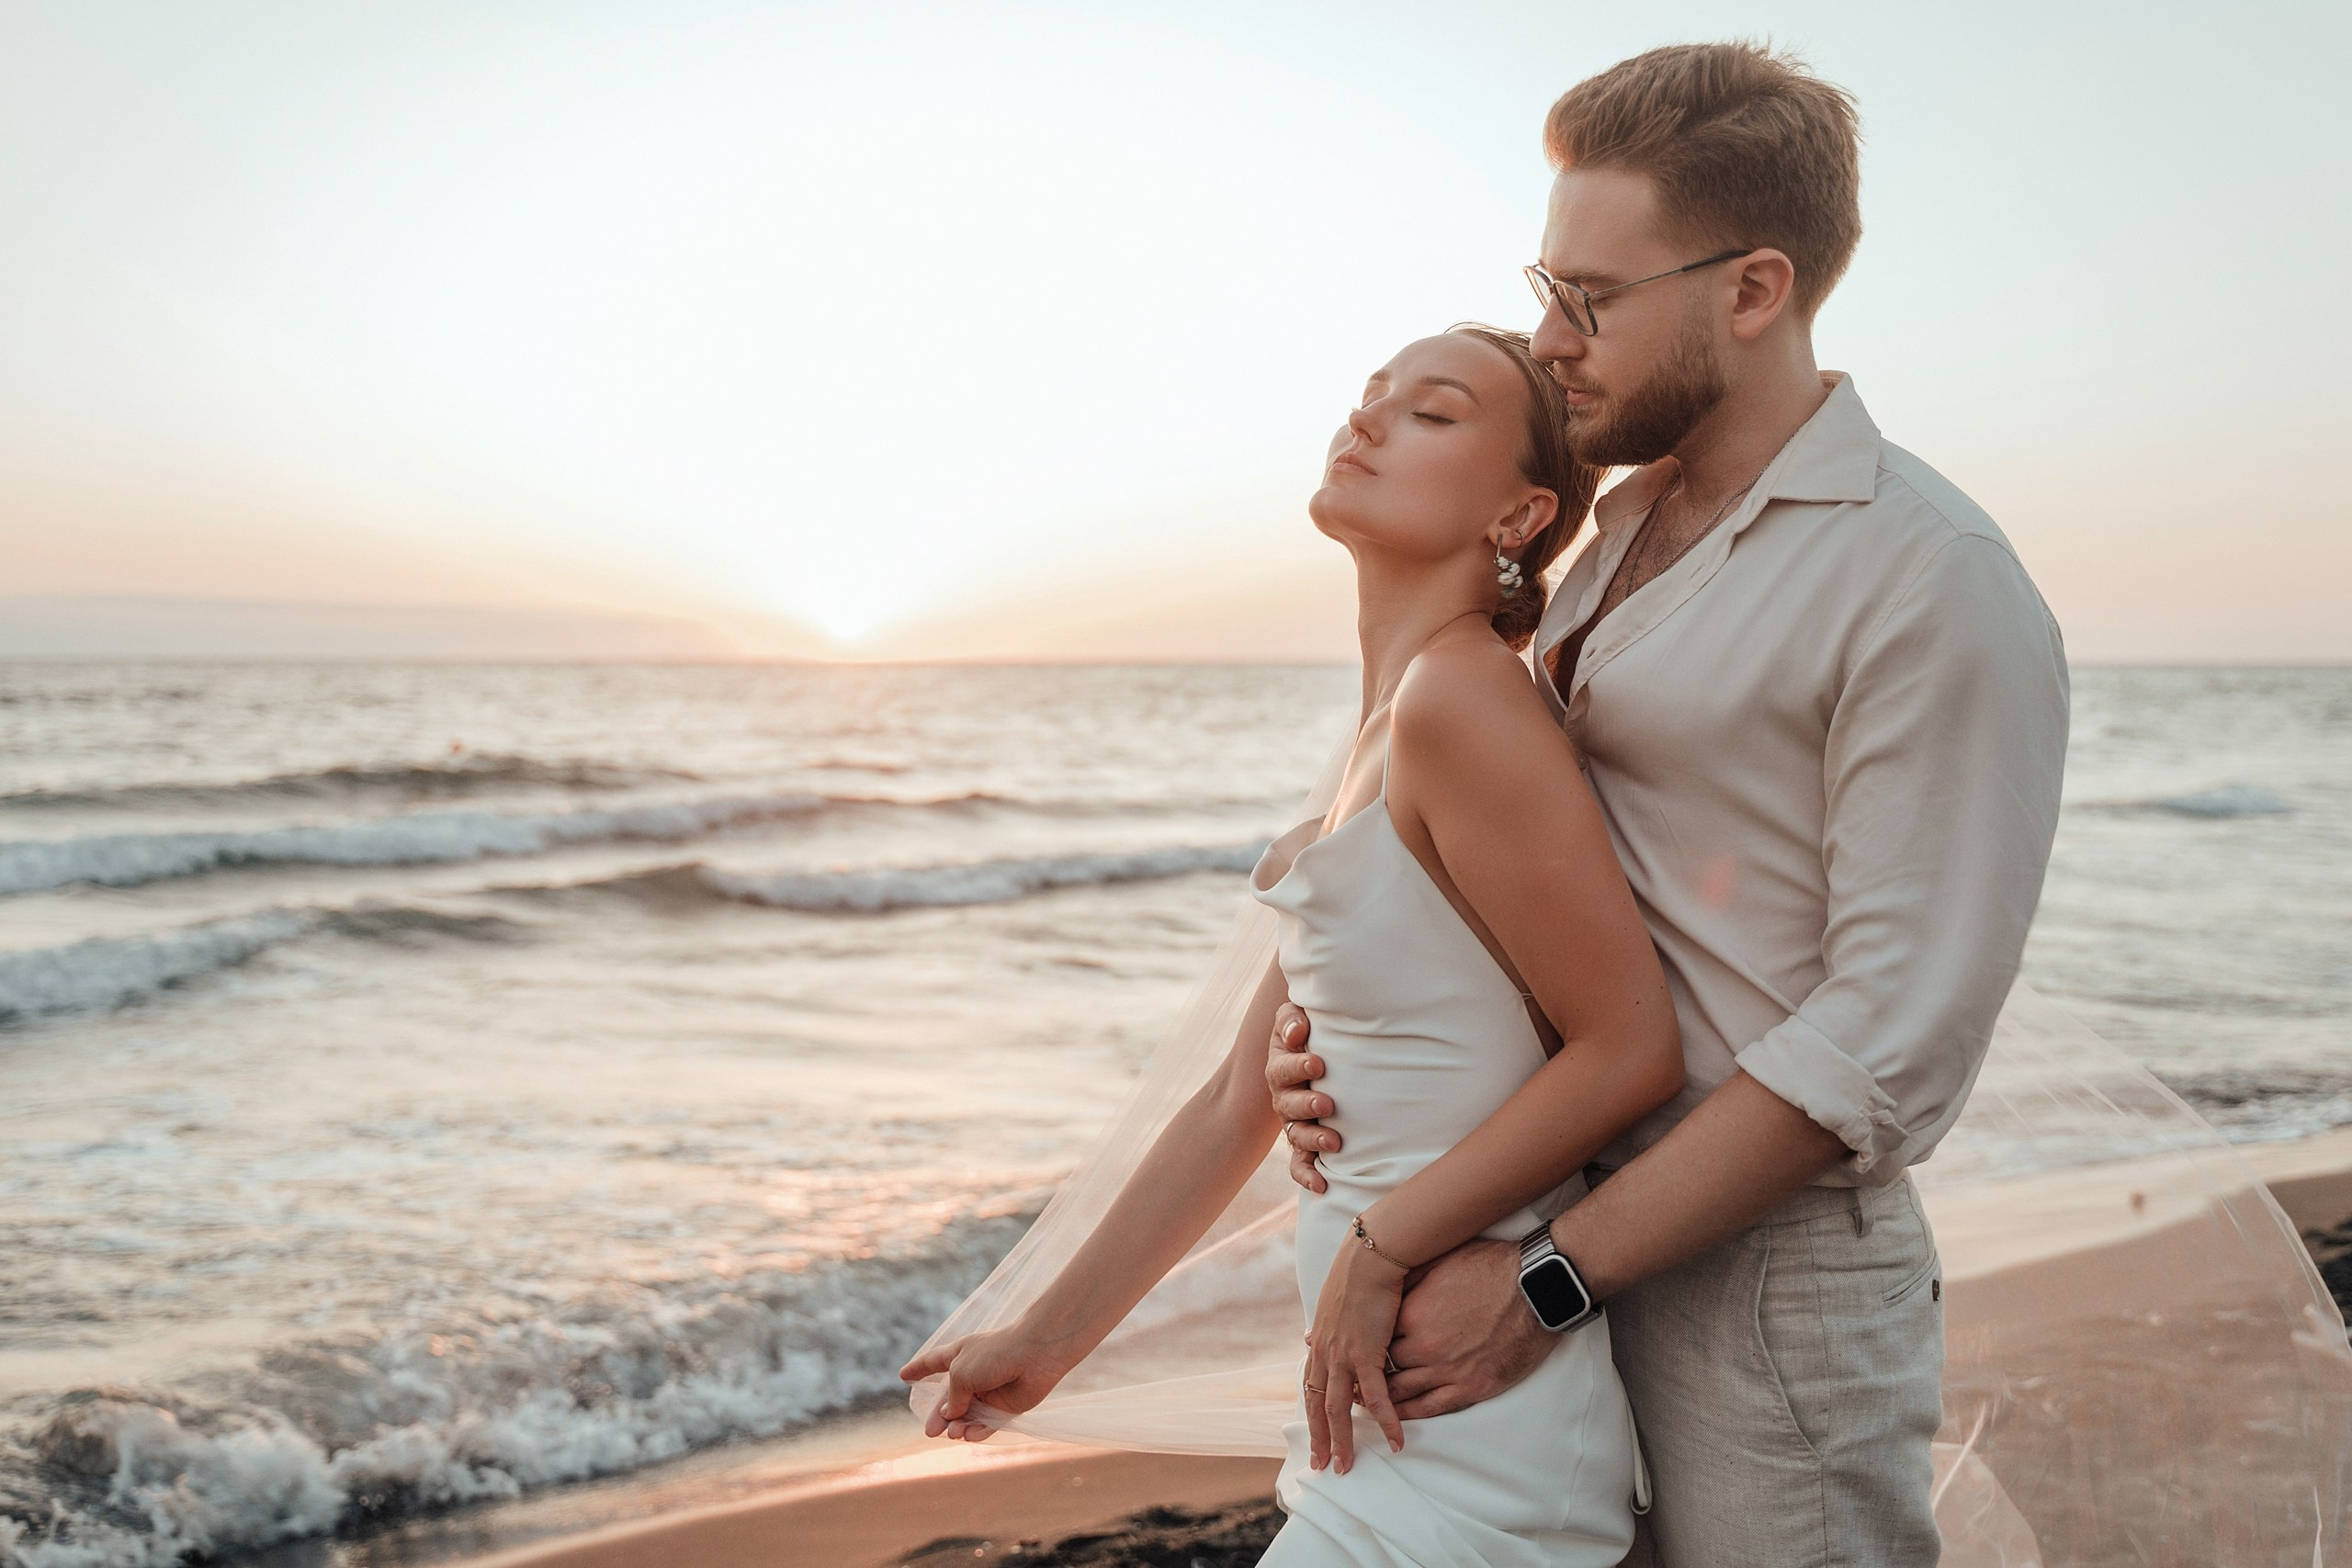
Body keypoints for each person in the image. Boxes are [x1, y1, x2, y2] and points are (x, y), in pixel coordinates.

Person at [1264, 42, 2068, 1566]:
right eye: (1544, 284)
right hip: (1538, 1231)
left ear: (1752, 289)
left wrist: (1549, 1277)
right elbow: (1504, 876)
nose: (1551, 338)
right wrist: (1344, 1057)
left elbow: (1888, 1043)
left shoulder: (1928, 578)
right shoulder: (1619, 529)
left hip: (1757, 1296)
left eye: (1592, 299)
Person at [902, 323, 1687, 1565]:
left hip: (1470, 1414)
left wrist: (1382, 1243)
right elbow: (1234, 1099)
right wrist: (1045, 1344)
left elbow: (1629, 1048)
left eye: (1430, 413)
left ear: (1523, 512)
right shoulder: (1387, 723)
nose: (1364, 422)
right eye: (1369, 398)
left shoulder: (1463, 703)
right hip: (1377, 1416)